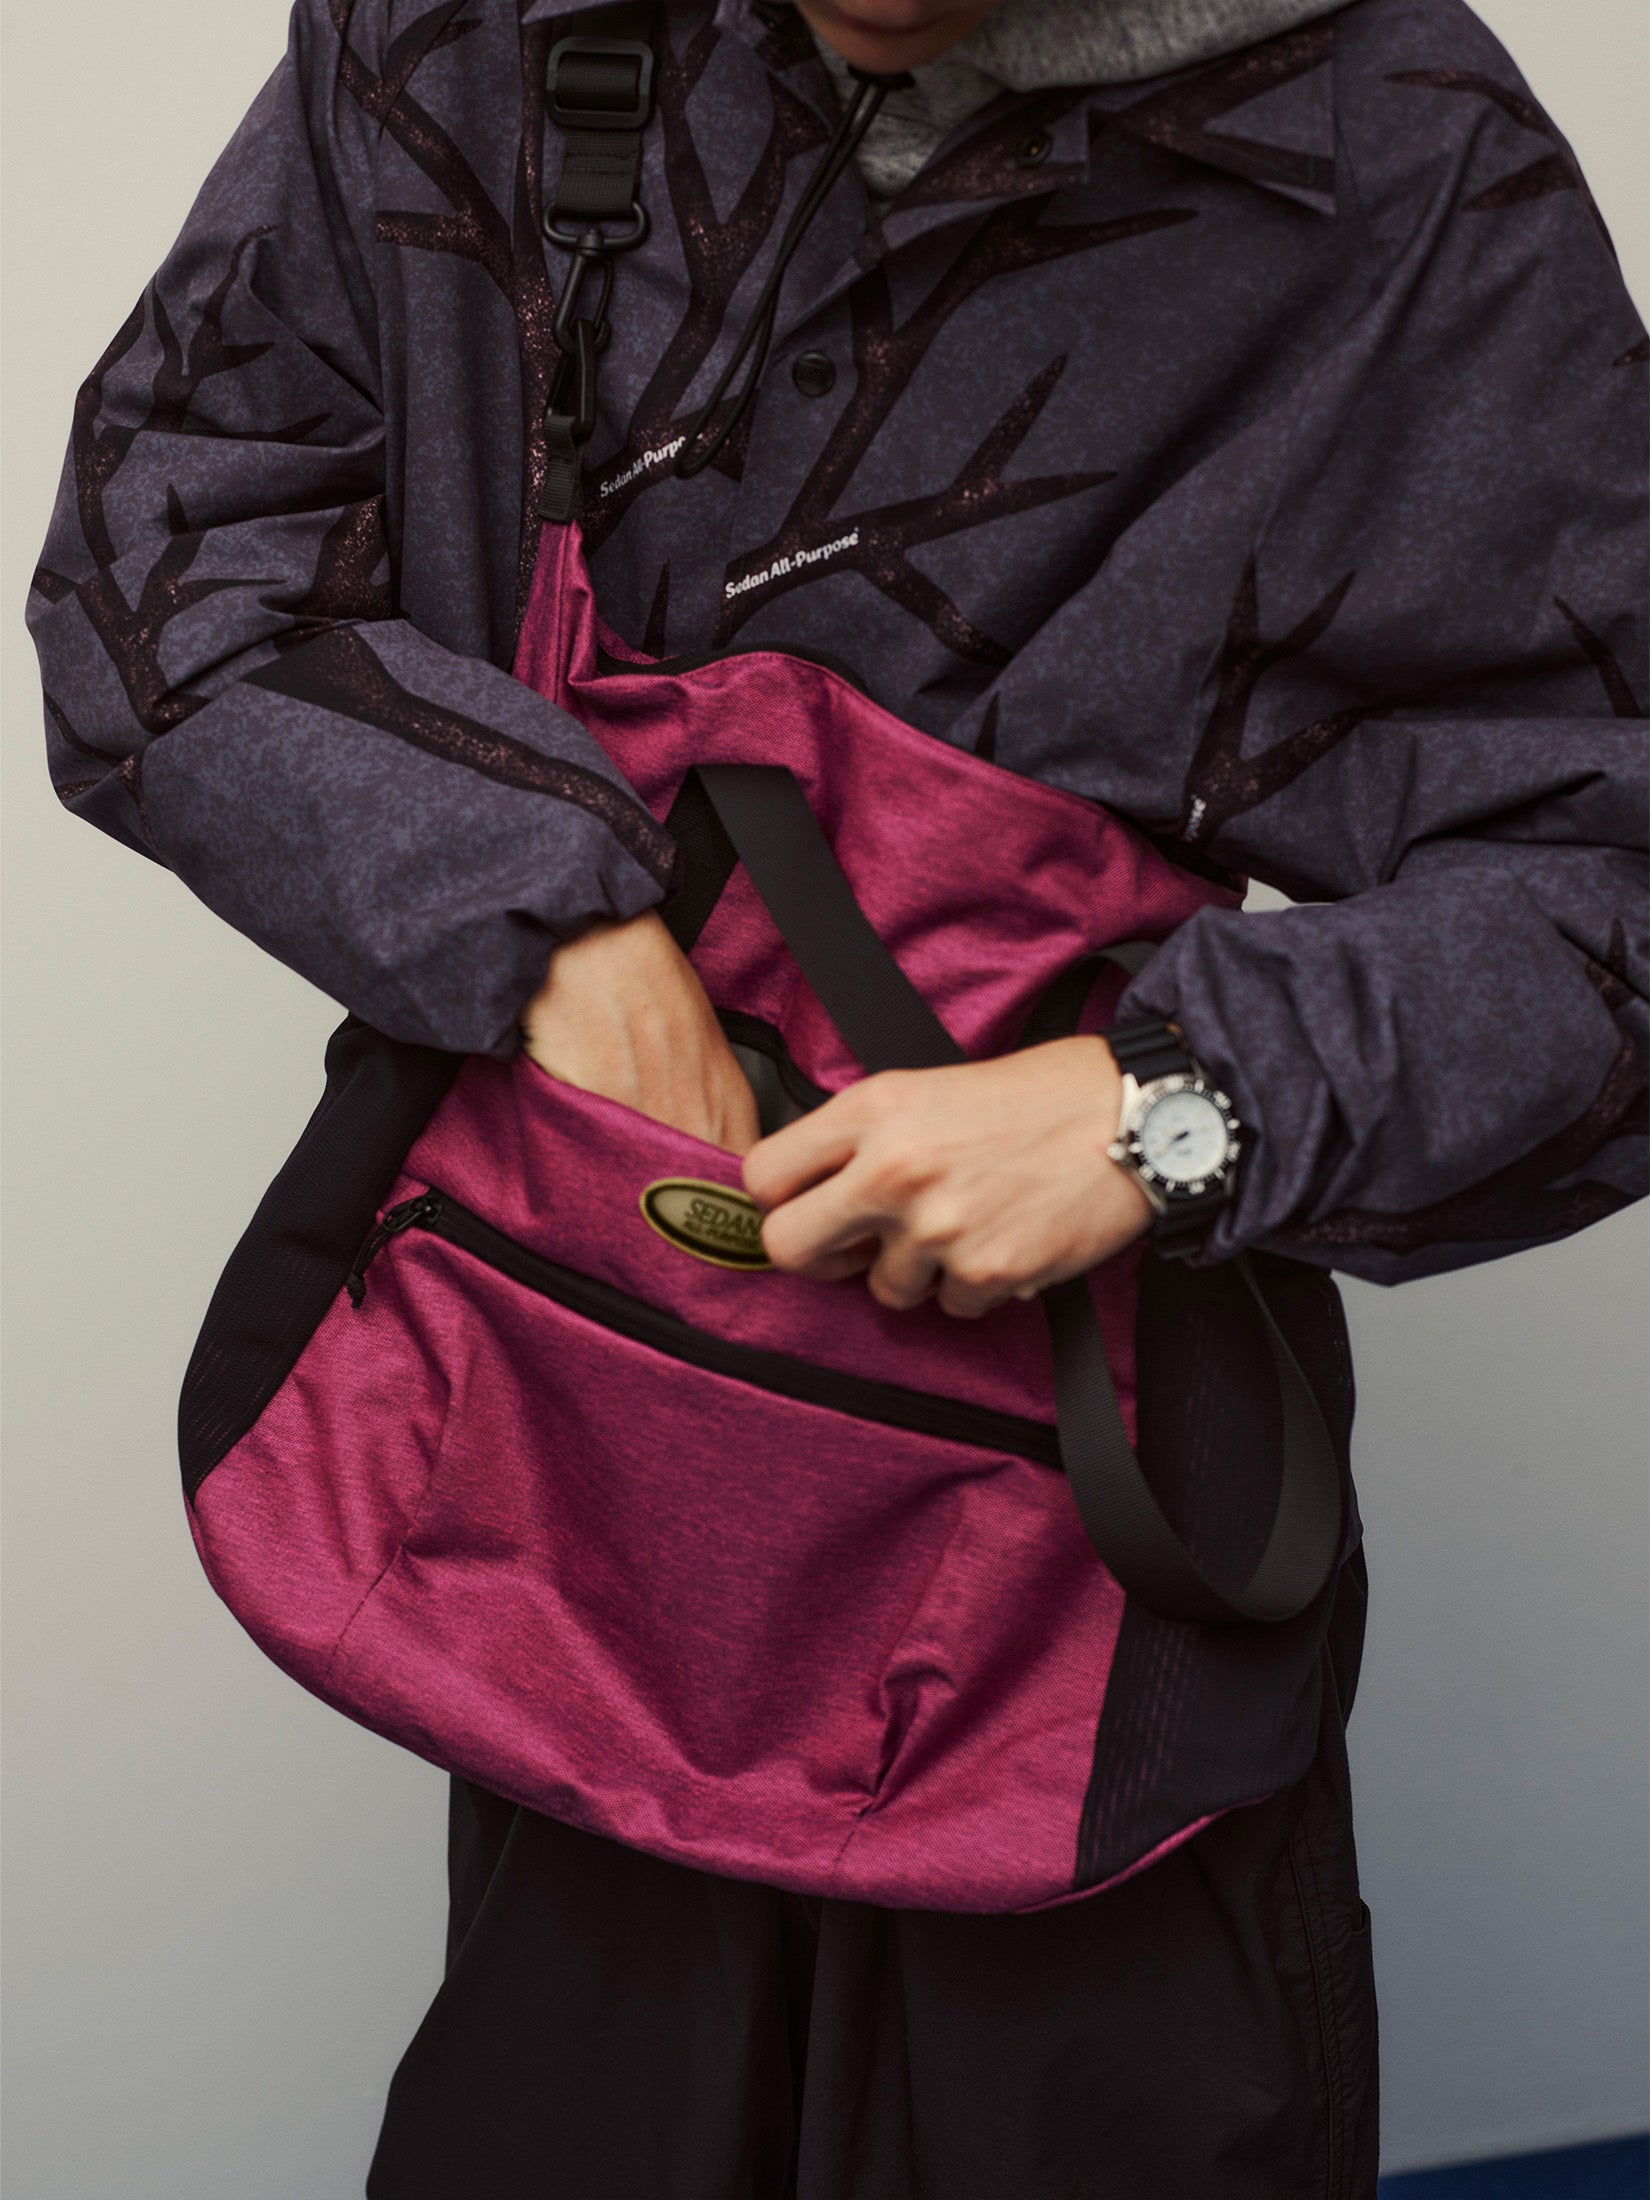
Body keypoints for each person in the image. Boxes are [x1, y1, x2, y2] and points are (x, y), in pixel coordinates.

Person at [28, 0, 1645, 2191]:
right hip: (576, 1470)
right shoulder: (474, 30)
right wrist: (548, 914)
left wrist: (1163, 1108)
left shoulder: (1401, 157)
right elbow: (165, 549)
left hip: (1080, 1542)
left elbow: (1611, 881)